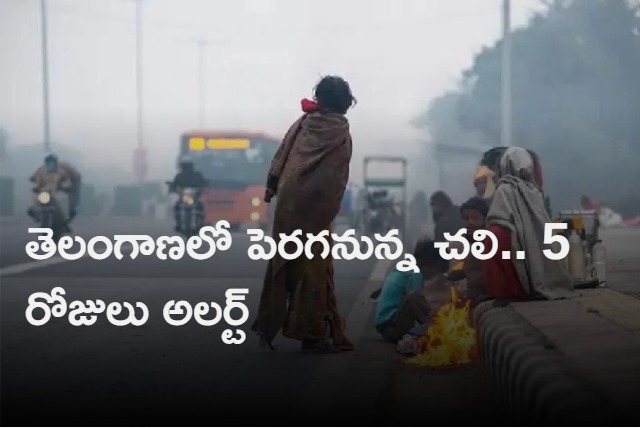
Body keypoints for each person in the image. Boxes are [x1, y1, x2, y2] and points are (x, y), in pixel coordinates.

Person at [252, 75, 357, 353]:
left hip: (288, 202)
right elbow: (336, 178)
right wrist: (329, 208)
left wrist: (272, 188)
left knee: (282, 262)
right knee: (316, 269)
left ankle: (268, 327)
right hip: (316, 208)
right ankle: (313, 335)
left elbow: (281, 157)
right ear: (344, 103)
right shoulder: (340, 131)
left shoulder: (303, 124)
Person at [483, 147, 573, 301]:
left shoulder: (504, 188)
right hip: (529, 250)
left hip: (511, 250)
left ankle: (508, 290)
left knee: (493, 236)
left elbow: (498, 219)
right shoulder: (534, 191)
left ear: (504, 165)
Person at [374, 239, 449, 343]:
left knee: (421, 304)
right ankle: (434, 329)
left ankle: (433, 327)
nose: (435, 275)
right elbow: (416, 301)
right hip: (391, 329)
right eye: (437, 269)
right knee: (414, 299)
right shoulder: (415, 273)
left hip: (388, 326)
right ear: (427, 264)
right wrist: (432, 322)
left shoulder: (407, 267)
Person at [446, 196, 490, 306]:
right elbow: (475, 269)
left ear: (486, 219)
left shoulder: (489, 243)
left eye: (475, 218)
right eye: (466, 218)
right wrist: (461, 273)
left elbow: (486, 275)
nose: (469, 222)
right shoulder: (473, 241)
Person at [28, 153, 81, 230]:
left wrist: (65, 186)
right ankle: (37, 216)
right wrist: (36, 187)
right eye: (49, 163)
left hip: (57, 192)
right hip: (45, 193)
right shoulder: (41, 171)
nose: (50, 165)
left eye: (52, 163)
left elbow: (67, 181)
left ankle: (64, 221)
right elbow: (37, 181)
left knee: (64, 202)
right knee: (34, 203)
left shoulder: (61, 172)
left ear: (55, 163)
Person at [169, 156, 207, 232]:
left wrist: (202, 187)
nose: (187, 167)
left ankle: (201, 223)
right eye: (185, 165)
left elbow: (203, 183)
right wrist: (172, 188)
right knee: (176, 207)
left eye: (188, 165)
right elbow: (174, 185)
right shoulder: (179, 176)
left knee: (201, 207)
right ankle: (178, 223)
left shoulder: (197, 175)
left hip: (194, 197)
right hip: (183, 197)